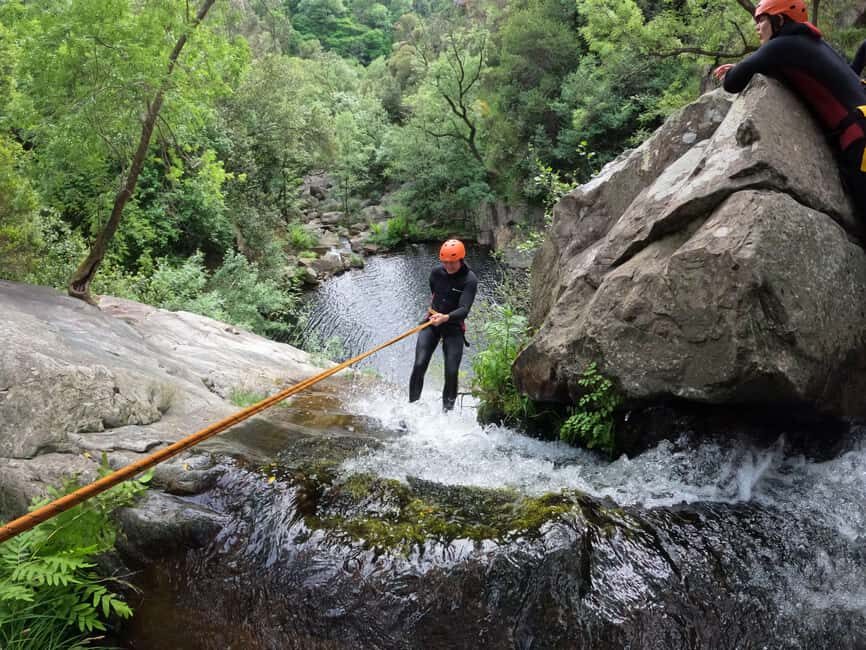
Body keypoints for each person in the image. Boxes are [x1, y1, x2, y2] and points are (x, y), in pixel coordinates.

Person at [713, 0, 866, 219]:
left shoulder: (783, 46)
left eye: (761, 20)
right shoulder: (814, 44)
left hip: (859, 139)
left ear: (780, 20)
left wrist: (736, 69)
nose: (757, 27)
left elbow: (732, 82)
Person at [409, 239, 478, 411]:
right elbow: (435, 294)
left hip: (453, 326)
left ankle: (447, 413)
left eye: (452, 262)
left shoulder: (469, 279)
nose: (448, 266)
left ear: (461, 259)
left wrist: (446, 317)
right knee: (419, 364)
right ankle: (412, 407)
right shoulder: (436, 273)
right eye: (445, 262)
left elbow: (464, 309)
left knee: (451, 371)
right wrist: (437, 316)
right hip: (432, 321)